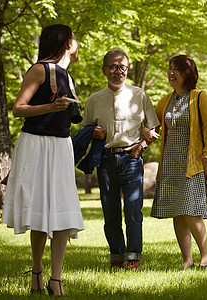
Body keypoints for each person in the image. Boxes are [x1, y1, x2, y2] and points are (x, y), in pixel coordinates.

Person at [2, 24, 84, 296]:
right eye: (74, 38)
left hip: (61, 146)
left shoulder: (68, 77)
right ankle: (37, 271)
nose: (77, 42)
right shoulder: (40, 69)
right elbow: (18, 109)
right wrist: (51, 106)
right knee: (38, 211)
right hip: (36, 145)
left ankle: (55, 279)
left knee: (62, 212)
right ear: (65, 42)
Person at [82, 49, 160, 271]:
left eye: (122, 67)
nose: (118, 71)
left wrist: (142, 145)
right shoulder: (94, 100)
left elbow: (153, 126)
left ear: (127, 70)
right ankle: (116, 256)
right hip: (105, 160)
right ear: (105, 70)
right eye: (114, 67)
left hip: (132, 159)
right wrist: (93, 133)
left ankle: (133, 257)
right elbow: (85, 130)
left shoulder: (140, 95)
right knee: (110, 211)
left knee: (133, 211)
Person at [151, 55, 207, 269]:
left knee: (190, 210)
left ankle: (205, 256)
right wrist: (146, 130)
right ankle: (187, 260)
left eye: (176, 69)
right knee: (177, 212)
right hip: (170, 164)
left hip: (193, 165)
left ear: (187, 73)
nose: (171, 73)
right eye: (169, 68)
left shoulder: (200, 97)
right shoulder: (166, 100)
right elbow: (153, 123)